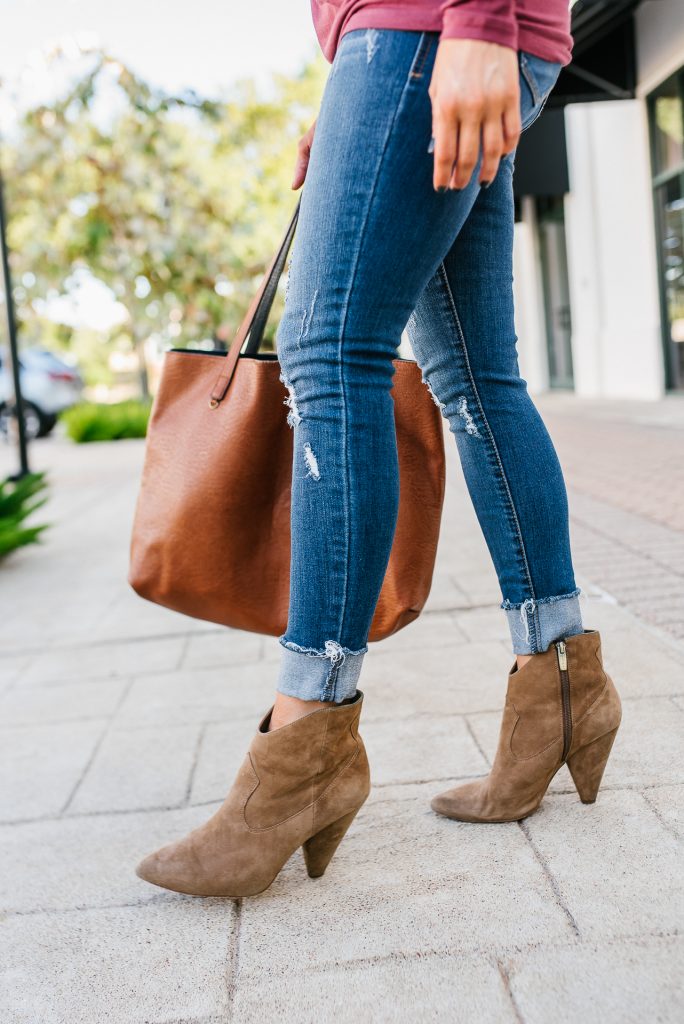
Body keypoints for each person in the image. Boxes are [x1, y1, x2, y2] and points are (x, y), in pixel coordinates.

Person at [135, 0, 622, 898]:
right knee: (477, 379)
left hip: (431, 28)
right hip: (416, 39)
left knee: (329, 358)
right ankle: (558, 684)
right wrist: (352, 93)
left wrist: (476, 22)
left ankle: (304, 744)